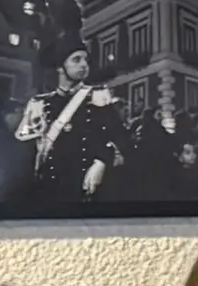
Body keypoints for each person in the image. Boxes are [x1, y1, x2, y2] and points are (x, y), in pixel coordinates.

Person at [15, 48, 124, 203]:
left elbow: (120, 138)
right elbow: (26, 153)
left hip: (86, 188)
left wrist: (102, 162)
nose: (84, 64)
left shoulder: (98, 96)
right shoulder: (39, 103)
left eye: (86, 60)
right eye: (76, 59)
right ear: (60, 67)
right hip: (48, 189)